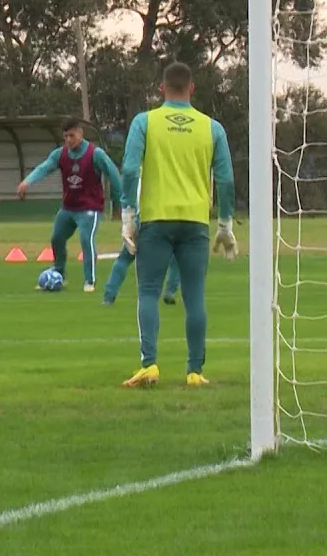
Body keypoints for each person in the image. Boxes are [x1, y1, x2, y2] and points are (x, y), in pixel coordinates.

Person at [119, 62, 236, 387]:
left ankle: (150, 364)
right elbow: (225, 180)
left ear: (161, 89)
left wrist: (128, 216)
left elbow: (129, 170)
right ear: (192, 89)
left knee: (148, 291)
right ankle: (195, 372)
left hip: (156, 218)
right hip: (196, 222)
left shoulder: (146, 122)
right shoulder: (211, 127)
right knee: (195, 297)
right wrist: (225, 224)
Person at [17, 117, 122, 292]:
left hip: (90, 208)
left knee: (85, 240)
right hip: (69, 208)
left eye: (71, 136)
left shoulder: (95, 154)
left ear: (80, 134)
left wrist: (121, 201)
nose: (68, 140)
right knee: (56, 238)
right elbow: (44, 168)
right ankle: (58, 274)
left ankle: (90, 281)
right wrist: (27, 182)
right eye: (65, 136)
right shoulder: (60, 154)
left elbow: (114, 175)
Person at [102, 239, 181, 306]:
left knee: (124, 259)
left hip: (141, 227)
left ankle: (109, 296)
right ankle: (170, 291)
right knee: (177, 258)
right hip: (165, 229)